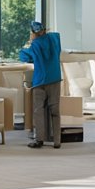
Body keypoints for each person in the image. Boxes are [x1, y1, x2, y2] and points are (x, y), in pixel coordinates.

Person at [18, 20, 62, 149]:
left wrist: (30, 41)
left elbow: (24, 56)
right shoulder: (55, 39)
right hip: (54, 78)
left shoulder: (35, 44)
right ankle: (57, 141)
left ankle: (39, 140)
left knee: (38, 111)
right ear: (44, 29)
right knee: (55, 111)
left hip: (40, 81)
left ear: (33, 33)